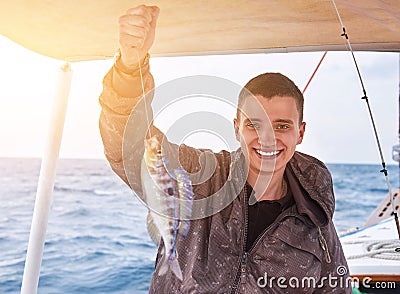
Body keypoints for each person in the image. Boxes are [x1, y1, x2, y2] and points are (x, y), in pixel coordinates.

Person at [99, 5, 351, 293]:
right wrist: (131, 67)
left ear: (300, 133)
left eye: (281, 126)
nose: (267, 139)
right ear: (236, 128)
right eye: (254, 124)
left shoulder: (315, 222)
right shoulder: (199, 178)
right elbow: (125, 143)